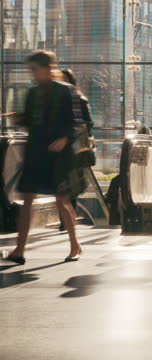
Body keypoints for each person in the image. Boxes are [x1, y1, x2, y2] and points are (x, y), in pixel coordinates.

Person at [5, 50, 81, 264]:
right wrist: (20, 118)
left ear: (48, 68)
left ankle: (75, 245)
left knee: (62, 200)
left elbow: (74, 122)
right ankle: (19, 250)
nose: (32, 74)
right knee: (28, 199)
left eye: (34, 69)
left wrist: (64, 139)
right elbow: (31, 120)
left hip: (57, 154)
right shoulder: (33, 93)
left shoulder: (66, 91)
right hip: (36, 151)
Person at [58, 68, 95, 232]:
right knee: (64, 183)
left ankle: (66, 221)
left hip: (75, 147)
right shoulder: (57, 100)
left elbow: (88, 124)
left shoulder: (79, 99)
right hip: (62, 146)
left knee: (70, 183)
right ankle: (65, 220)